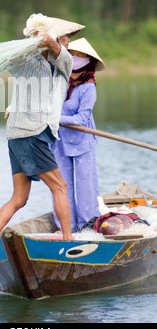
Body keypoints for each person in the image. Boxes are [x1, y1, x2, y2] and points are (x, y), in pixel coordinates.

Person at [0, 13, 85, 242]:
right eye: (66, 37)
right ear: (55, 37)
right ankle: (69, 240)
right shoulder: (28, 60)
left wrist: (50, 41)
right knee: (60, 186)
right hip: (31, 134)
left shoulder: (61, 61)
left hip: (16, 135)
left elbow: (60, 59)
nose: (68, 41)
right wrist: (45, 40)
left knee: (20, 198)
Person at [50, 37, 105, 232]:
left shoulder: (88, 86)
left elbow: (82, 119)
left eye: (80, 56)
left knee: (85, 186)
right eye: (72, 54)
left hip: (82, 140)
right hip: (59, 140)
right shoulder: (60, 80)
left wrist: (58, 118)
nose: (75, 58)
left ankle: (87, 226)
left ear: (88, 60)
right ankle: (66, 227)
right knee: (61, 185)